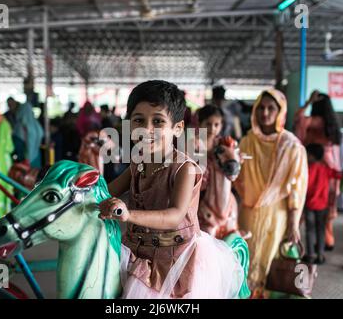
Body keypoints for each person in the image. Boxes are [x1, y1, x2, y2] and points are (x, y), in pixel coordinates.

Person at [98, 80, 244, 299]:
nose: (147, 130)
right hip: (137, 250)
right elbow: (107, 191)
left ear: (177, 128)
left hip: (175, 258)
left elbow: (174, 216)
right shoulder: (138, 163)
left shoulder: (185, 169)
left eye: (158, 121)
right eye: (139, 120)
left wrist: (128, 214)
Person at [234, 89, 308, 297]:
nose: (265, 113)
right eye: (261, 108)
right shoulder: (247, 141)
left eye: (271, 108)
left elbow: (297, 190)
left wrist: (293, 225)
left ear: (280, 111)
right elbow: (239, 179)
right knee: (246, 262)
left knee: (270, 266)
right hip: (247, 213)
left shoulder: (291, 146)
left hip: (277, 216)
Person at [294, 91, 342, 251]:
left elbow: (299, 120)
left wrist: (307, 102)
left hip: (315, 164)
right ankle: (328, 241)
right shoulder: (333, 125)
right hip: (330, 165)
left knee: (308, 202)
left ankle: (299, 240)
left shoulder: (316, 121)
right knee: (327, 204)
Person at [195, 105, 241, 239]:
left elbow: (232, 157)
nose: (212, 128)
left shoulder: (221, 143)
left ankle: (233, 226)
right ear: (199, 123)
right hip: (201, 187)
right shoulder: (195, 143)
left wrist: (237, 158)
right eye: (208, 124)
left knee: (230, 199)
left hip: (218, 186)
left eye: (216, 124)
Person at [303, 143, 342, 265]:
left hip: (309, 204)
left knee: (309, 230)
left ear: (311, 156)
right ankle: (320, 255)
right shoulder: (325, 169)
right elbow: (338, 174)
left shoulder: (307, 169)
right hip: (322, 205)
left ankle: (309, 255)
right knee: (321, 230)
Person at [12, 102, 44, 169]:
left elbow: (16, 143)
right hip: (36, 157)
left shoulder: (20, 126)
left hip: (24, 159)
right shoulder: (36, 125)